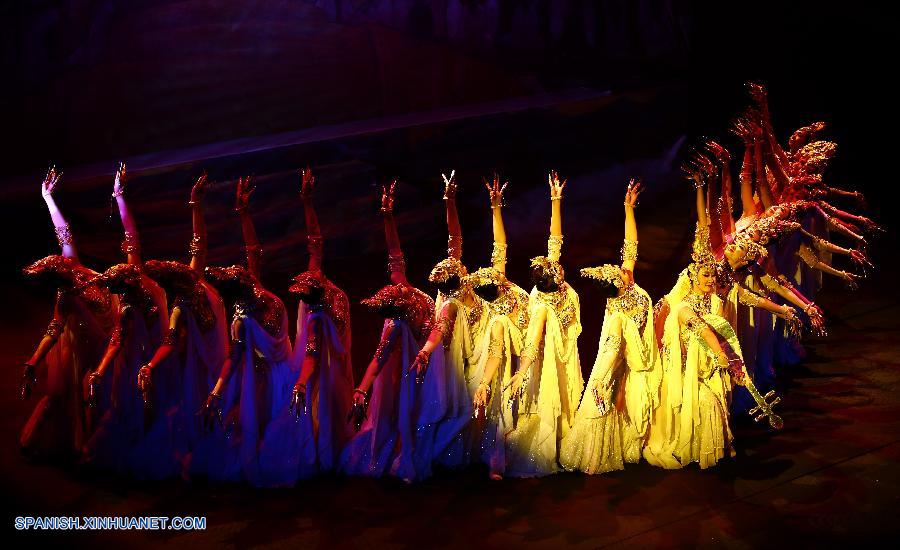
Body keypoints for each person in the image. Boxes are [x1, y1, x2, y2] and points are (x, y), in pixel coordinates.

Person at [644, 181, 782, 470]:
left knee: (718, 401)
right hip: (690, 364)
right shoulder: (682, 307)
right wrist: (718, 353)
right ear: (693, 279)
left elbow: (726, 330)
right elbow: (702, 329)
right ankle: (695, 447)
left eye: (712, 278)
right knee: (704, 403)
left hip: (714, 362)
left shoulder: (717, 302)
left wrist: (732, 360)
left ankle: (718, 445)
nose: (710, 282)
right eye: (705, 278)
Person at [257, 168, 353, 485]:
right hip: (318, 361)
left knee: (331, 396)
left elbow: (315, 241)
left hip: (333, 355)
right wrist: (301, 381)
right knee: (320, 399)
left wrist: (308, 203)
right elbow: (311, 352)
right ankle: (323, 450)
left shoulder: (325, 291)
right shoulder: (313, 313)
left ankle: (330, 444)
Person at [560, 180, 661, 474]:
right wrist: (606, 377)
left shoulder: (626, 282)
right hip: (623, 355)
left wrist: (628, 208)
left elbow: (631, 246)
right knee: (607, 395)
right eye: (620, 271)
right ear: (619, 283)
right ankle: (596, 453)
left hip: (640, 351)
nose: (624, 268)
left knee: (623, 401)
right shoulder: (618, 309)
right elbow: (615, 346)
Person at [195, 176, 292, 483]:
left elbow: (254, 249)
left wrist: (243, 212)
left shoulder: (256, 290)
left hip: (281, 369)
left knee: (276, 423)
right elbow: (234, 358)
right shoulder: (240, 317)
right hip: (258, 373)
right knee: (252, 423)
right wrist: (217, 391)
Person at [340, 181, 437, 481]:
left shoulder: (407, 313)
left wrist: (361, 390)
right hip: (418, 364)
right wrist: (387, 215)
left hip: (429, 363)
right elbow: (395, 253)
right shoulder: (403, 297)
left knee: (414, 411)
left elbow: (380, 357)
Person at [20, 166, 117, 460]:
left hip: (109, 332)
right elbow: (55, 327)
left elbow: (63, 231)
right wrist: (35, 360)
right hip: (84, 345)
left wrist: (48, 198)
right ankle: (75, 446)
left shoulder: (73, 262)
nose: (64, 257)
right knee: (72, 394)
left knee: (99, 391)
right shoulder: (66, 295)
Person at [136, 172, 228, 479]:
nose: (184, 266)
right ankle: (204, 456)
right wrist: (150, 365)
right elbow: (170, 340)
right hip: (202, 366)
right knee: (202, 410)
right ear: (177, 282)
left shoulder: (196, 274)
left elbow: (198, 242)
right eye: (179, 270)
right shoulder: (180, 305)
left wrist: (195, 203)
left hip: (225, 354)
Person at [82, 162, 169, 472]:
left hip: (161, 352)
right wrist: (103, 370)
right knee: (136, 405)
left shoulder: (136, 274)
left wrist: (120, 195)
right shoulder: (129, 307)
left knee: (155, 403)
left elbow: (131, 235)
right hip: (141, 358)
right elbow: (119, 339)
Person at [505, 171, 583, 477]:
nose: (561, 272)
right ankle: (551, 440)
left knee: (568, 390)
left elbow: (555, 241)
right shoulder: (539, 302)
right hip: (550, 353)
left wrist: (555, 200)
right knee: (552, 391)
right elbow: (534, 341)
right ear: (550, 281)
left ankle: (567, 435)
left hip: (566, 347)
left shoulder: (555, 281)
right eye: (558, 273)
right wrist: (522, 373)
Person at [413, 170, 487, 468]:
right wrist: (425, 352)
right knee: (456, 407)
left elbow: (454, 237)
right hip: (457, 352)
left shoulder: (459, 276)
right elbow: (440, 329)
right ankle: (446, 455)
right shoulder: (451, 303)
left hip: (477, 341)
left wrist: (450, 201)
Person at [466, 174, 530, 479]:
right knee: (480, 396)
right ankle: (484, 452)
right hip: (490, 348)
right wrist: (494, 207)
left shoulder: (514, 294)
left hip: (514, 347)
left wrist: (496, 208)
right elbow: (498, 246)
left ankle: (499, 457)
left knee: (502, 402)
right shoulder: (489, 294)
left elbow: (500, 245)